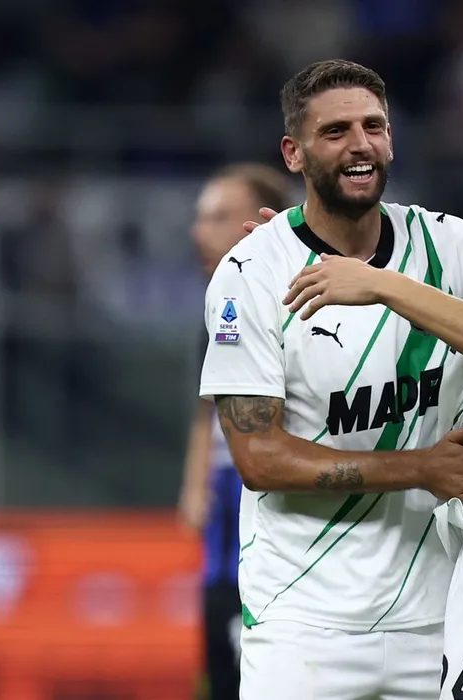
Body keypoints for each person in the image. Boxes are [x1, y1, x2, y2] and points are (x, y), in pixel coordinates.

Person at [201, 59, 463, 700]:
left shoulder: (452, 247)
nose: (360, 145)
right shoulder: (253, 273)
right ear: (293, 153)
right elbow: (259, 458)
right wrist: (423, 468)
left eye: (373, 127)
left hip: (438, 615)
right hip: (303, 621)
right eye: (335, 131)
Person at [180, 163, 296, 700]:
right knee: (220, 652)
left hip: (279, 499)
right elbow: (207, 406)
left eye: (220, 217)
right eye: (201, 217)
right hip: (228, 507)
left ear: (262, 221)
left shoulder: (301, 299)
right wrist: (194, 483)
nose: (200, 231)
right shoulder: (219, 306)